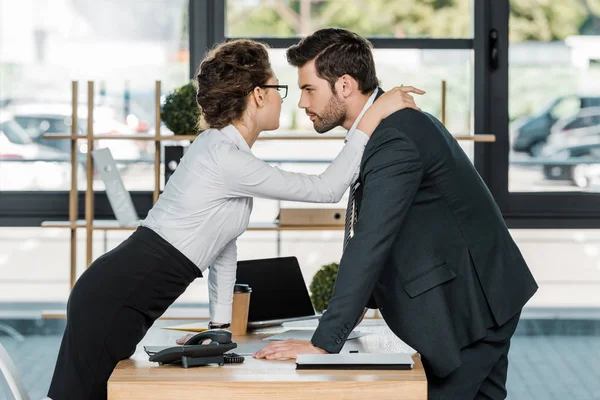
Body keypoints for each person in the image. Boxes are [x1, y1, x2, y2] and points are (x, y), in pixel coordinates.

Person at [46, 38, 423, 400]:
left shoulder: (224, 152)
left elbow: (224, 248)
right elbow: (326, 189)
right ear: (258, 94)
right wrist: (371, 118)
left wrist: (219, 328)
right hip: (115, 295)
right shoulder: (222, 154)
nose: (283, 99)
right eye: (278, 88)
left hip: (122, 292)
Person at [253, 28, 538, 400]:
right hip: (483, 298)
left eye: (309, 89)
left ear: (344, 85)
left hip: (471, 308)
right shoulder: (390, 126)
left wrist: (324, 344)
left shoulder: (395, 138)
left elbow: (371, 241)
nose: (302, 102)